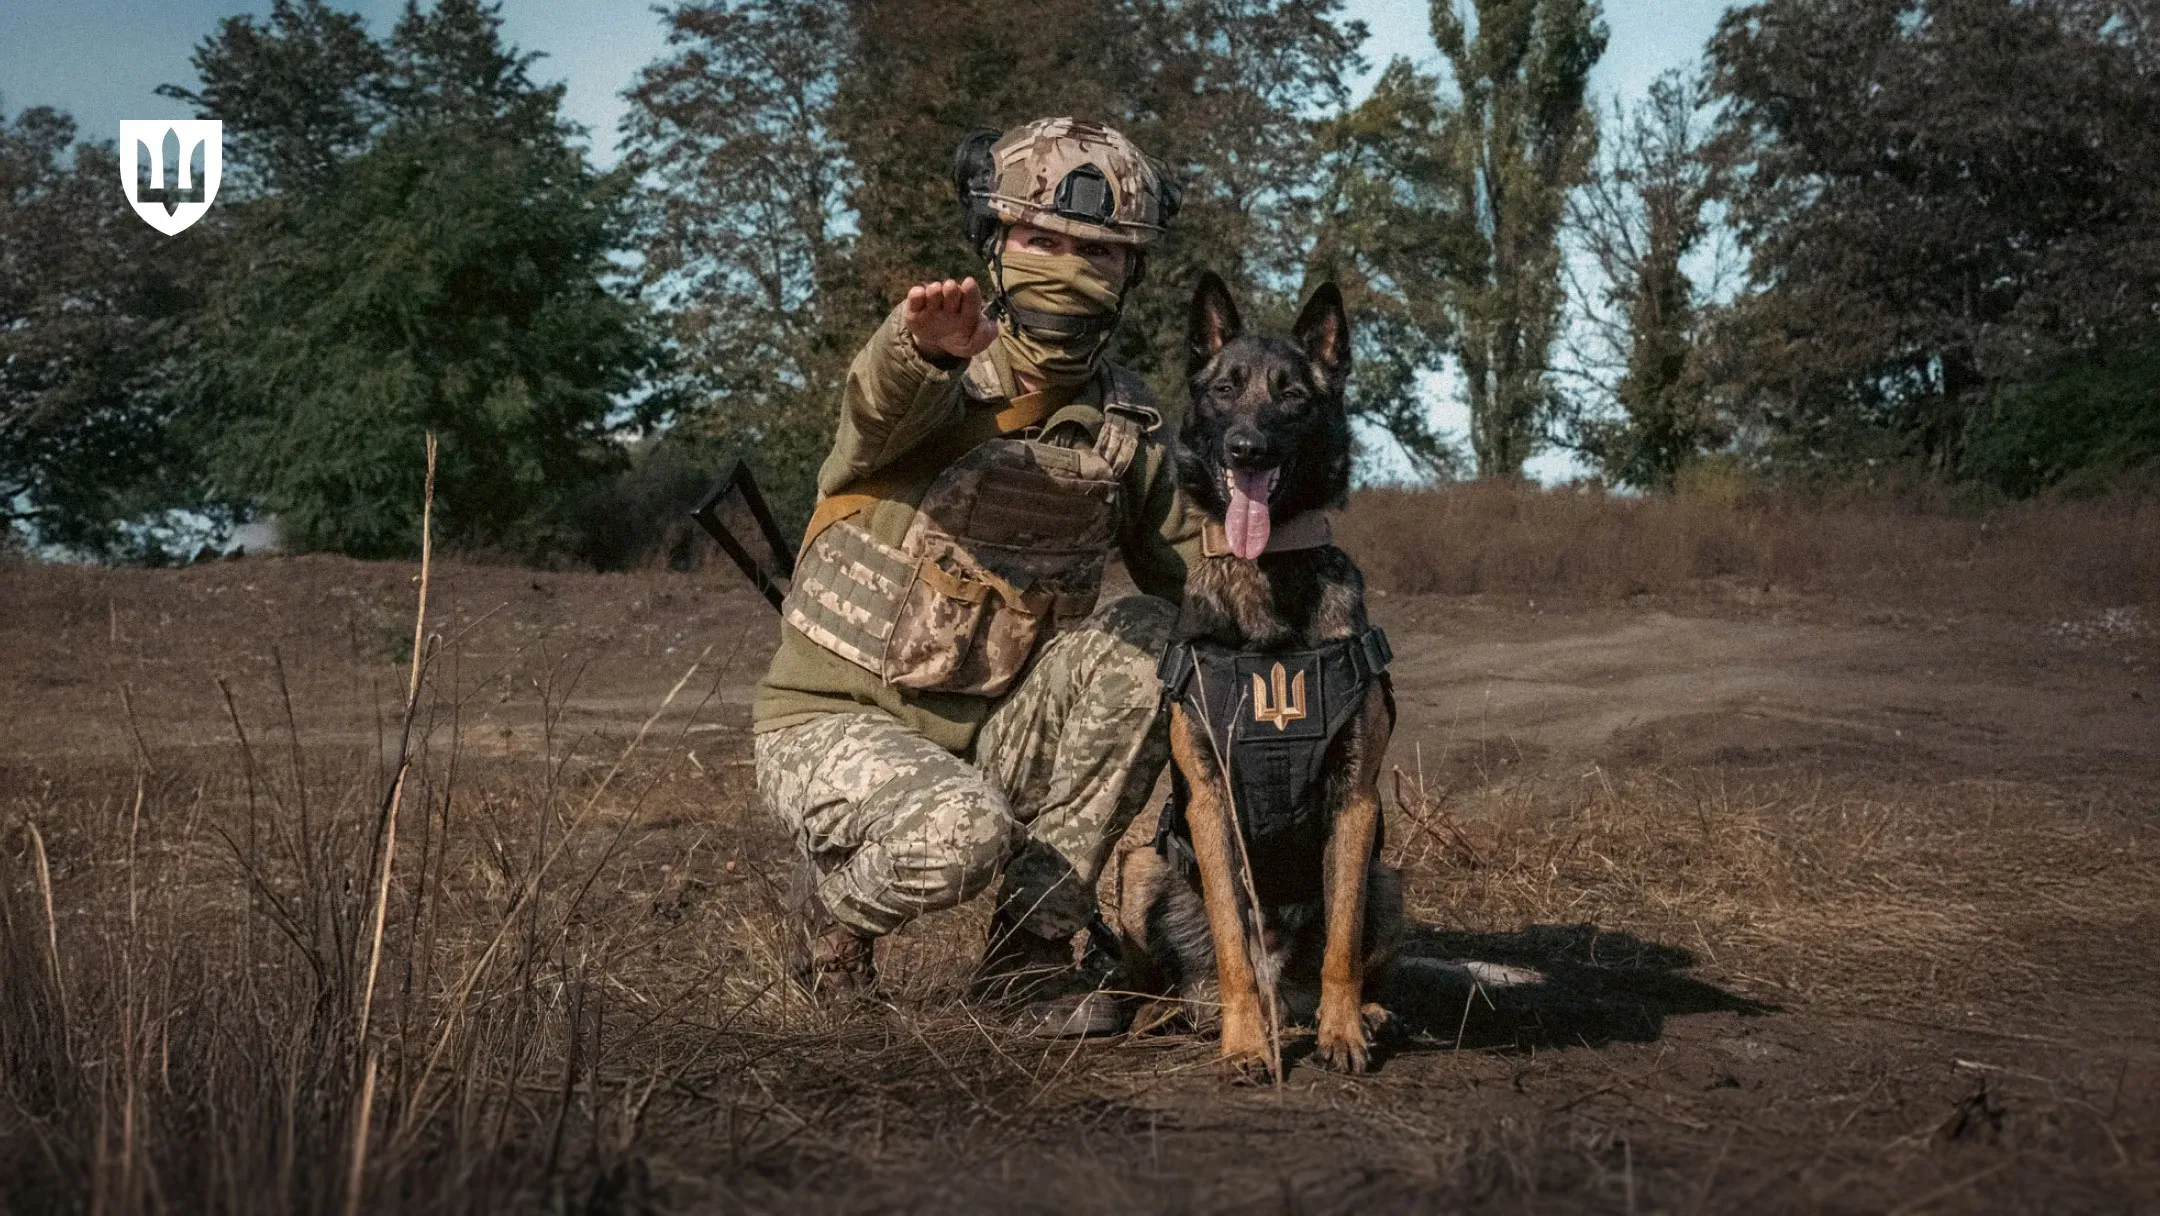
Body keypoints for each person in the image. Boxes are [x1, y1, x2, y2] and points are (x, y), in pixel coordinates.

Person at [750, 117, 1204, 1035]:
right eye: (1043, 240)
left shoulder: (1127, 422)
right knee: (961, 832)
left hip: (994, 731)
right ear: (993, 242)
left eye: (1101, 253)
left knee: (1156, 643)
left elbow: (1200, 575)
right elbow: (875, 406)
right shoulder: (937, 365)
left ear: (1132, 273)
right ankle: (828, 926)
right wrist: (922, 349)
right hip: (833, 723)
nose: (1072, 269)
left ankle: (1026, 962)